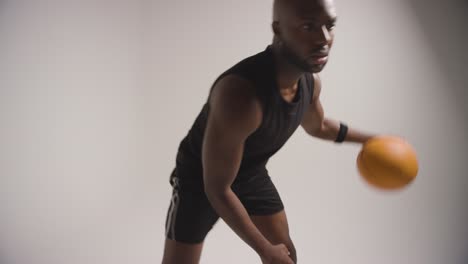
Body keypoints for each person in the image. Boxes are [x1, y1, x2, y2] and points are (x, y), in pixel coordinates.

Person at [162, 0, 375, 263]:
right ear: (278, 29)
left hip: (249, 172)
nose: (324, 39)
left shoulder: (309, 83)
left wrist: (372, 140)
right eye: (308, 26)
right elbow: (216, 188)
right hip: (200, 179)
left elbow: (318, 126)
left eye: (329, 26)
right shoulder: (241, 97)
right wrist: (263, 249)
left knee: (285, 255)